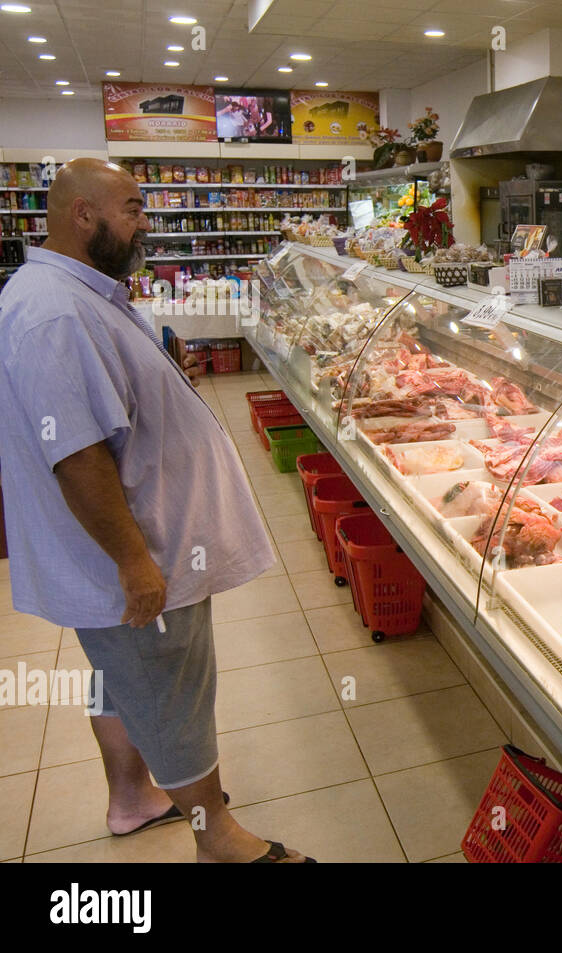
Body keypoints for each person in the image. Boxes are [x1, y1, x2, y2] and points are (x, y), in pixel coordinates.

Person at [0, 159, 314, 863]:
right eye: (134, 209)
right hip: (135, 553)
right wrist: (135, 562)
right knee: (169, 684)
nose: (146, 223)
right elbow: (77, 455)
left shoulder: (78, 291)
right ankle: (219, 838)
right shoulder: (52, 310)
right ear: (83, 215)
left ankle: (132, 798)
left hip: (127, 551)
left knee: (122, 679)